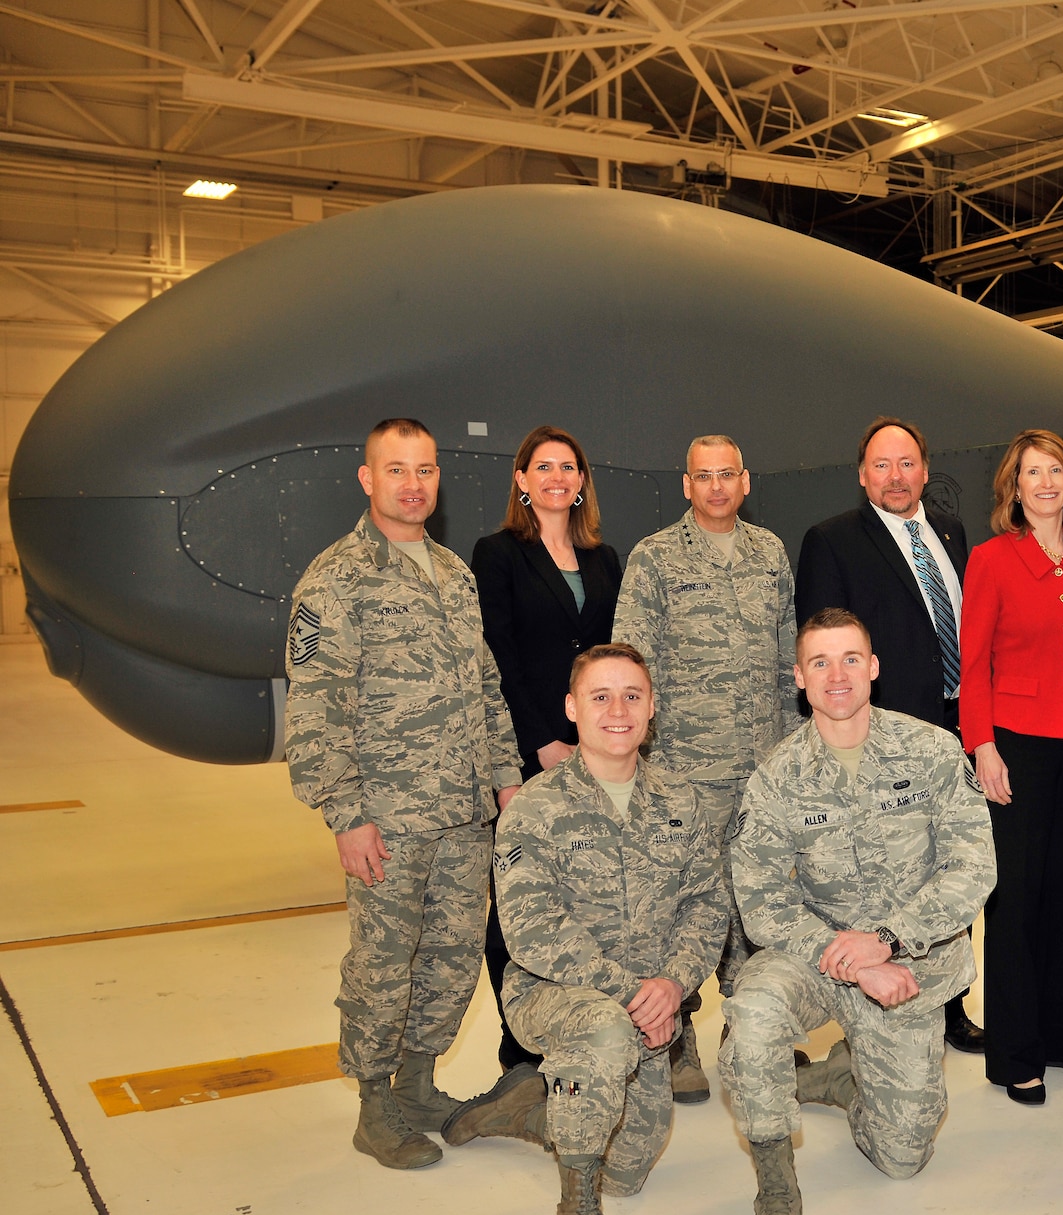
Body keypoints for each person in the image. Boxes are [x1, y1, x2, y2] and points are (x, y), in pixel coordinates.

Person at [720, 609, 997, 1215]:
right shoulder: (778, 774)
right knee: (753, 1016)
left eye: (850, 658)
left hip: (906, 965)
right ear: (799, 678)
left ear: (873, 667)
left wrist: (887, 941)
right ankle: (777, 1189)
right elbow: (759, 896)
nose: (836, 675)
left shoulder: (930, 751)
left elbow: (974, 866)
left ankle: (847, 1077)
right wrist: (847, 956)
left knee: (903, 1157)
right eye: (819, 662)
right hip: (815, 959)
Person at [449, 644, 728, 1215]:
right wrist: (633, 992)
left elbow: (708, 906)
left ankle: (530, 1108)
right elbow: (530, 928)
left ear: (652, 707)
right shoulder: (535, 806)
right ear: (572, 708)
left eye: (632, 694)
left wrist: (671, 985)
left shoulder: (681, 800)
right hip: (551, 992)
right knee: (602, 1034)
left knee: (629, 1164)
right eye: (600, 696)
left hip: (650, 1000)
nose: (617, 709)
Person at [284, 417, 520, 1170]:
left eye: (424, 470)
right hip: (388, 816)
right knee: (384, 961)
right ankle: (372, 1100)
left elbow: (483, 682)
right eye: (396, 470)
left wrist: (507, 778)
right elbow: (315, 704)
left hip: (461, 814)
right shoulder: (336, 579)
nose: (412, 484)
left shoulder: (453, 572)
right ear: (368, 478)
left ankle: (417, 1080)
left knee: (450, 955)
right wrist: (345, 815)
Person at [613, 434, 796, 1104]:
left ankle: (750, 1030)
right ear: (686, 484)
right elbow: (633, 665)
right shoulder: (655, 559)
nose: (716, 487)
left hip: (760, 766)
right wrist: (639, 758)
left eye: (727, 475)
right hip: (684, 768)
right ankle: (678, 1033)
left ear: (744, 481)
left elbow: (786, 660)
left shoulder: (770, 553)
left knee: (757, 901)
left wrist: (792, 748)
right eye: (703, 476)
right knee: (683, 905)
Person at [794, 417, 984, 1054]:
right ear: (861, 474)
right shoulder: (832, 540)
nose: (895, 477)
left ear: (925, 471)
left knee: (948, 864)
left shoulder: (952, 533)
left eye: (906, 464)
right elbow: (824, 644)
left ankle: (950, 1002)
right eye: (881, 465)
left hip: (952, 728)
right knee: (883, 875)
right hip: (881, 738)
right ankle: (865, 1006)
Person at [960, 430, 1063, 1104]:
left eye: (1055, 471)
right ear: (1013, 488)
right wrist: (983, 745)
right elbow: (973, 664)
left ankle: (1061, 1032)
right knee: (1016, 898)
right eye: (1032, 473)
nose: (1045, 483)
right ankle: (1015, 1049)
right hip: (1016, 744)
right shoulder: (992, 559)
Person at [470, 425, 623, 1077]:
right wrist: (540, 741)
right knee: (518, 902)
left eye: (569, 466)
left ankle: (579, 1027)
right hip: (531, 752)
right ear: (522, 480)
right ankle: (516, 1047)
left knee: (587, 896)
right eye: (544, 467)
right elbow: (496, 657)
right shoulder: (498, 554)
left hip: (597, 755)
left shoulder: (604, 558)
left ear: (583, 480)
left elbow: (614, 656)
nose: (557, 476)